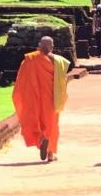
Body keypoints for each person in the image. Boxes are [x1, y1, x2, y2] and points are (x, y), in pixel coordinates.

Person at [12, 34, 63, 163]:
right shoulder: (56, 61)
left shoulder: (30, 59)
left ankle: (41, 140)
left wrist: (22, 95)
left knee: (36, 120)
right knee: (51, 124)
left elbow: (21, 80)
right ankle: (50, 154)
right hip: (50, 99)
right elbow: (62, 80)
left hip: (34, 99)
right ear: (52, 47)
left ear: (39, 45)